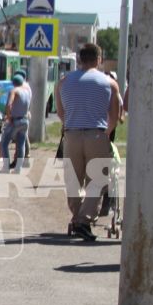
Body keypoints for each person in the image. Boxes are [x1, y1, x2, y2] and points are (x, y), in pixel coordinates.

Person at [56, 41, 123, 241]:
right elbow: (114, 114)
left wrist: (72, 126)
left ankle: (77, 216)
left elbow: (61, 113)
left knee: (73, 180)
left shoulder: (63, 82)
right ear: (99, 60)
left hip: (71, 134)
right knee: (98, 179)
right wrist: (105, 132)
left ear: (79, 59)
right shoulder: (109, 83)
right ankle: (84, 220)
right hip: (97, 134)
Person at [1, 71, 32, 171]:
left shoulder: (14, 91)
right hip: (25, 120)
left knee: (4, 143)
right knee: (21, 144)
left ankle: (6, 167)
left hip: (15, 120)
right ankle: (18, 168)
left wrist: (8, 116)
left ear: (13, 83)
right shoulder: (27, 91)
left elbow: (9, 105)